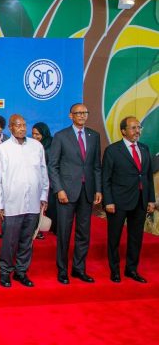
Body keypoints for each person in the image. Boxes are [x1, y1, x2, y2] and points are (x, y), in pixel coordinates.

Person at [48, 103, 103, 284]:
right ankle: (62, 270)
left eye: (84, 112)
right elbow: (53, 166)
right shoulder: (61, 136)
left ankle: (79, 269)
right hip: (66, 193)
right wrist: (59, 189)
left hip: (87, 192)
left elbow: (96, 166)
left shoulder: (94, 136)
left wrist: (98, 189)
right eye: (77, 113)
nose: (81, 115)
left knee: (83, 233)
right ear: (70, 116)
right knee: (64, 234)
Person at [0, 114, 49, 288]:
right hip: (11, 204)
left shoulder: (36, 146)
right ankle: (5, 272)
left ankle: (21, 272)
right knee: (9, 241)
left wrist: (44, 195)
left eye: (24, 125)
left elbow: (43, 172)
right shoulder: (3, 149)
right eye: (18, 125)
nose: (22, 128)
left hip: (33, 202)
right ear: (10, 128)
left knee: (27, 240)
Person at [102, 116, 156, 283]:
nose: (137, 131)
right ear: (123, 131)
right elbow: (105, 178)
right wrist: (108, 201)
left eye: (139, 127)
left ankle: (131, 269)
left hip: (140, 200)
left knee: (136, 238)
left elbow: (147, 176)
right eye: (133, 128)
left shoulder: (144, 148)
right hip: (118, 202)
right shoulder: (112, 150)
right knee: (114, 238)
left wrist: (151, 199)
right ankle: (115, 270)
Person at [31, 122, 56, 239]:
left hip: (51, 181)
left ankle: (54, 227)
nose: (35, 136)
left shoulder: (52, 144)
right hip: (36, 181)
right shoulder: (32, 146)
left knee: (51, 206)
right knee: (35, 207)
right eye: (33, 134)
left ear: (44, 133)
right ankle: (36, 229)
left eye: (37, 134)